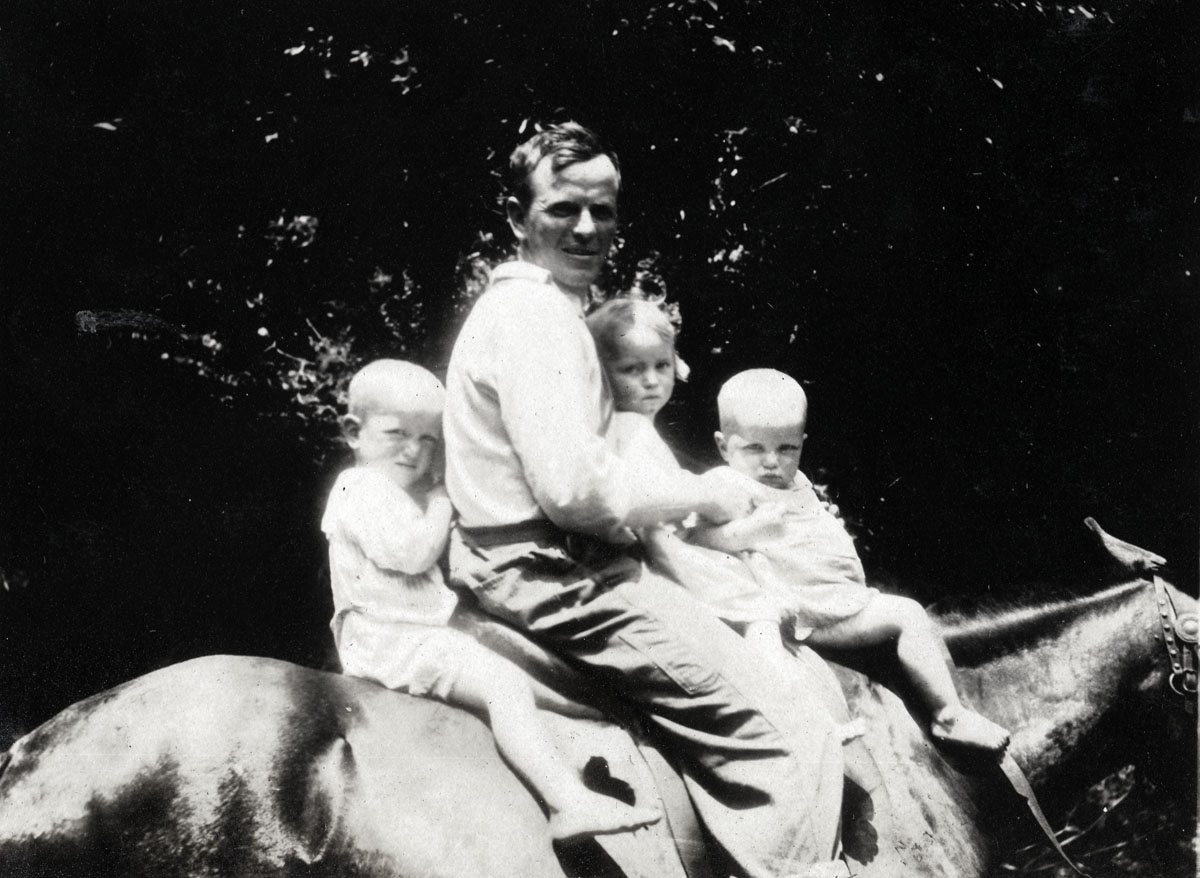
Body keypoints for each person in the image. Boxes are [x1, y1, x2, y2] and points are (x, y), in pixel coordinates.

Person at [443, 123, 848, 878]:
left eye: (603, 210)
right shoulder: (534, 320)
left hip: (538, 558)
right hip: (556, 572)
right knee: (794, 732)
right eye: (563, 208)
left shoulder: (550, 311)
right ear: (516, 216)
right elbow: (577, 492)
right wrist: (705, 492)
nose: (587, 228)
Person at [321, 358, 662, 841]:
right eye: (397, 434)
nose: (414, 452)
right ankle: (568, 800)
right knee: (504, 685)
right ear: (353, 432)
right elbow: (413, 554)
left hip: (407, 633)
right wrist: (442, 502)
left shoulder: (384, 490)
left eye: (429, 440)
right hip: (392, 640)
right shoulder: (361, 489)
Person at [705, 368, 1011, 752]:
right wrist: (751, 531)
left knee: (910, 616)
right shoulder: (727, 485)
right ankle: (949, 716)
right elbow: (692, 537)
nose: (772, 462)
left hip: (837, 599)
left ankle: (947, 708)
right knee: (908, 614)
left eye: (786, 449)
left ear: (802, 443)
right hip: (806, 613)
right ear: (723, 447)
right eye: (754, 448)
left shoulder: (797, 483)